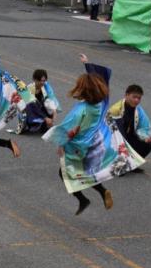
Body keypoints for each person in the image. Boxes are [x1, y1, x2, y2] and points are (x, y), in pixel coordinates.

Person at [44, 57, 142, 215]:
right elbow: (102, 78)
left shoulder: (81, 109)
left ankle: (83, 199)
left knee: (65, 172)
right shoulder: (101, 102)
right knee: (86, 172)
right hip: (97, 142)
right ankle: (101, 192)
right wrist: (87, 65)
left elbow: (67, 129)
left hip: (81, 146)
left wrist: (59, 143)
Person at [107, 84, 151, 163]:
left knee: (147, 146)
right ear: (126, 95)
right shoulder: (115, 110)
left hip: (129, 137)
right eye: (134, 97)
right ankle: (116, 163)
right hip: (115, 138)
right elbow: (109, 130)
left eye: (139, 98)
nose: (136, 100)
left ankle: (132, 165)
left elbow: (144, 126)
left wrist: (145, 138)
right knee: (121, 147)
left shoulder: (139, 110)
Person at [18, 68, 60, 135]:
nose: (42, 83)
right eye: (40, 80)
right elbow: (32, 106)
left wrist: (54, 111)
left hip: (40, 109)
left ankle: (45, 124)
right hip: (29, 111)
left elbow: (49, 100)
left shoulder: (46, 88)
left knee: (50, 108)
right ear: (34, 79)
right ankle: (34, 123)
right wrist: (45, 118)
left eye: (44, 81)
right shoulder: (29, 89)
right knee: (31, 105)